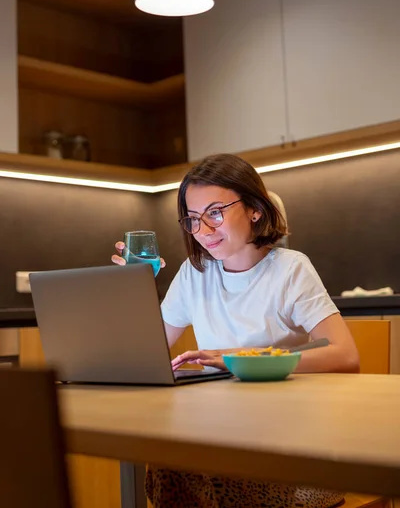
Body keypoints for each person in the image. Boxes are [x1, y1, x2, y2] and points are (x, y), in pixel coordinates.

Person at [112, 153, 359, 508]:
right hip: (216, 433)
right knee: (172, 461)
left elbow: (346, 355)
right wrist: (131, 293)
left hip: (290, 448)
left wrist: (239, 359)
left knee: (182, 467)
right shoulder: (194, 274)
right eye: (193, 219)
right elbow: (143, 356)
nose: (204, 231)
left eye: (215, 212)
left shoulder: (290, 270)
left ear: (255, 208)